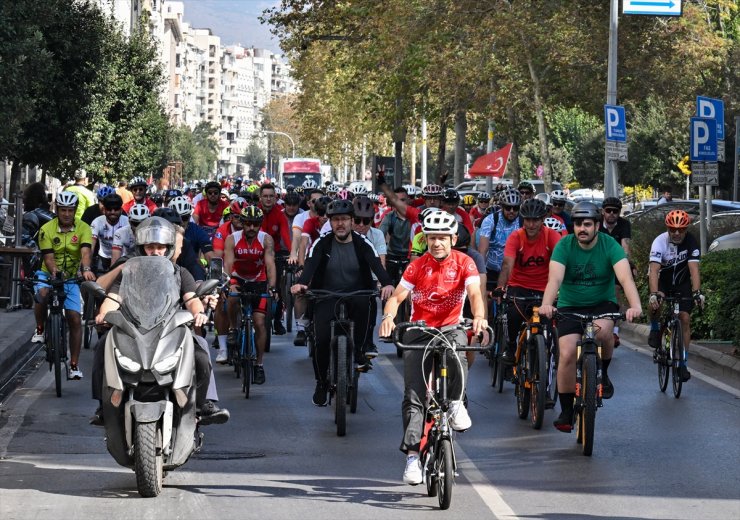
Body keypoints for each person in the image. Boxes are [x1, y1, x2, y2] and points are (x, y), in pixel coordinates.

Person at [379, 211, 487, 486]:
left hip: (452, 327)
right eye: (431, 238)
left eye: (442, 238)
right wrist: (389, 317)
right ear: (424, 239)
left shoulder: (465, 263)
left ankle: (454, 403)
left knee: (459, 350)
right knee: (414, 395)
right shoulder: (417, 266)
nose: (437, 243)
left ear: (453, 239)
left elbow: (475, 294)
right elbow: (398, 297)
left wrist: (479, 317)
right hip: (420, 330)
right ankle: (413, 457)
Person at [91, 216, 229, 426]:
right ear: (141, 248)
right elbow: (112, 299)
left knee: (200, 349)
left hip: (170, 331)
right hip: (133, 330)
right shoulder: (129, 273)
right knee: (103, 346)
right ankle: (104, 405)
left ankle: (202, 404)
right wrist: (104, 314)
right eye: (150, 247)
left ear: (169, 249)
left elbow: (191, 300)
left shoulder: (180, 273)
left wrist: (198, 313)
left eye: (160, 247)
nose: (155, 252)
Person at [538, 202, 642, 432]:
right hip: (570, 305)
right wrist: (546, 304)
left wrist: (635, 305)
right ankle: (566, 410)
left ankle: (602, 373)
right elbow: (554, 280)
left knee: (604, 332)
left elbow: (625, 279)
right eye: (577, 224)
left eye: (587, 224)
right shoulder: (564, 245)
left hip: (601, 304)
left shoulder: (609, 245)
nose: (581, 229)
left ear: (597, 225)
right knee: (565, 353)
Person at [291, 199, 394, 407]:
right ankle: (321, 383)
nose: (340, 224)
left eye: (344, 220)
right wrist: (302, 284)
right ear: (330, 222)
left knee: (367, 308)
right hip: (326, 294)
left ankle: (360, 351)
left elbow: (376, 264)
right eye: (336, 220)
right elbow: (310, 264)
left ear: (351, 222)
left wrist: (387, 284)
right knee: (320, 341)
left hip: (358, 292)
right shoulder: (322, 242)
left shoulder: (362, 243)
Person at [31, 191, 97, 379]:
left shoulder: (84, 228)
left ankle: (74, 365)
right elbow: (49, 257)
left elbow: (85, 252)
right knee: (42, 293)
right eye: (62, 210)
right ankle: (40, 329)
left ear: (75, 210)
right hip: (48, 273)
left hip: (70, 277)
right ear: (56, 210)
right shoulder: (47, 229)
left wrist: (85, 268)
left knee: (75, 318)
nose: (66, 214)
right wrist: (53, 272)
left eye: (70, 210)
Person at [494, 198, 561, 364]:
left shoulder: (551, 236)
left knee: (551, 322)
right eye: (528, 220)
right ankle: (510, 348)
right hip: (519, 287)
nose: (531, 225)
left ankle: (549, 354)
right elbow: (507, 264)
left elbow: (563, 262)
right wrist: (501, 287)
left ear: (543, 220)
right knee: (514, 316)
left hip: (546, 289)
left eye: (536, 220)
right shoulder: (516, 237)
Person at [223, 206, 277, 385]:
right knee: (231, 297)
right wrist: (229, 283)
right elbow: (228, 264)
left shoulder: (266, 239)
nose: (251, 228)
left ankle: (259, 365)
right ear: (242, 223)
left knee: (260, 323)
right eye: (247, 224)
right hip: (238, 279)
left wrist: (272, 287)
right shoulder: (232, 239)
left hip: (258, 281)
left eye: (255, 224)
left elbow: (269, 264)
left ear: (260, 224)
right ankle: (233, 329)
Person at [647, 210, 703, 382]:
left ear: (686, 229)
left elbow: (694, 270)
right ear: (668, 228)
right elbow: (654, 271)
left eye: (681, 229)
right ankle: (656, 329)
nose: (677, 233)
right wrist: (654, 294)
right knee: (656, 303)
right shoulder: (659, 241)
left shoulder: (691, 241)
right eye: (673, 229)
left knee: (685, 318)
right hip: (663, 281)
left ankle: (683, 364)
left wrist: (697, 293)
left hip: (682, 283)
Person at [599, 196, 634, 346]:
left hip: (616, 264)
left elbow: (625, 248)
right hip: (598, 264)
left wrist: (629, 266)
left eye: (616, 211)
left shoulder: (624, 224)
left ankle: (615, 333)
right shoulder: (596, 224)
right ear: (603, 212)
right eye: (608, 211)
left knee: (615, 293)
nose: (612, 214)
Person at [478, 188, 523, 291]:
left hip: (513, 270)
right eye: (508, 208)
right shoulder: (490, 220)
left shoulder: (522, 222)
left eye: (515, 208)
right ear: (502, 207)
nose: (511, 211)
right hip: (491, 269)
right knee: (487, 299)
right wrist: (480, 273)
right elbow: (482, 250)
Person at [89, 194, 127, 274]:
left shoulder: (127, 222)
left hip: (122, 258)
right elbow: (91, 246)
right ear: (104, 210)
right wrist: (86, 267)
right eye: (109, 209)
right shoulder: (97, 222)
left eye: (116, 209)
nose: (113, 212)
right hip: (103, 257)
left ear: (121, 210)